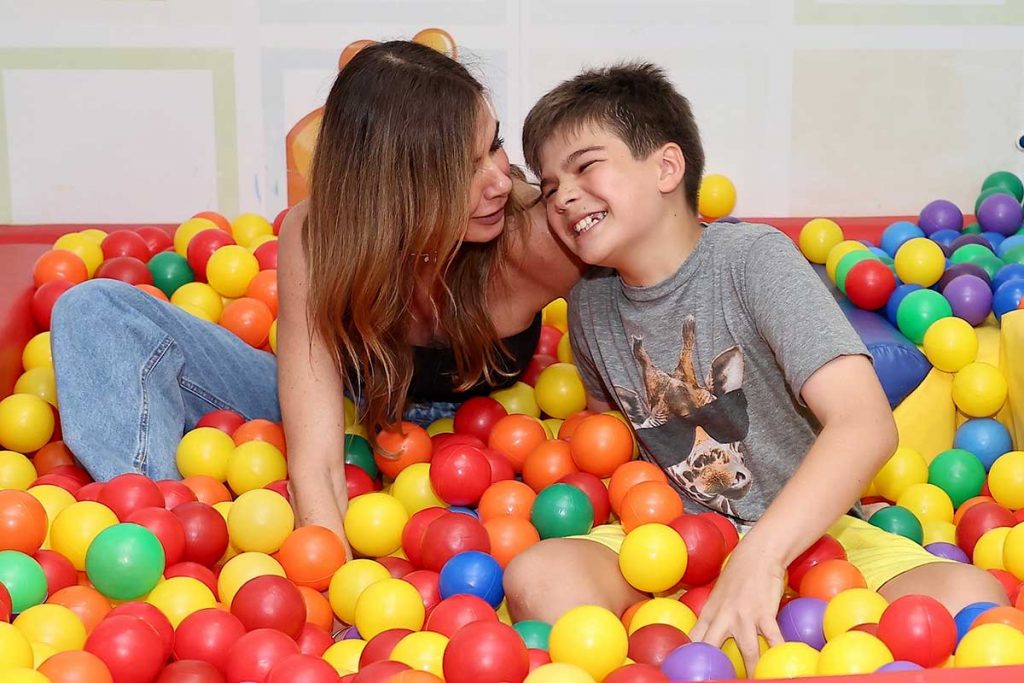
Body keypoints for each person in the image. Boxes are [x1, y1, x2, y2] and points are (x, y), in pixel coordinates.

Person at [503, 62, 1007, 672]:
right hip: (673, 539)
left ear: (666, 167)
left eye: (585, 166)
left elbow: (865, 423)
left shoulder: (752, 260)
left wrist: (761, 555)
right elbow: (610, 446)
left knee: (973, 604)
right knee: (539, 576)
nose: (563, 197)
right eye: (550, 187)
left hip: (810, 537)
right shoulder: (590, 304)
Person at [50, 40, 581, 548]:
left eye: (494, 145)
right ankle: (148, 532)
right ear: (391, 188)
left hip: (488, 453)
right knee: (92, 307)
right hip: (342, 415)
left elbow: (635, 266)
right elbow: (315, 459)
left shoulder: (542, 235)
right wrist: (329, 579)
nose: (500, 181)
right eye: (463, 169)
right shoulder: (319, 236)